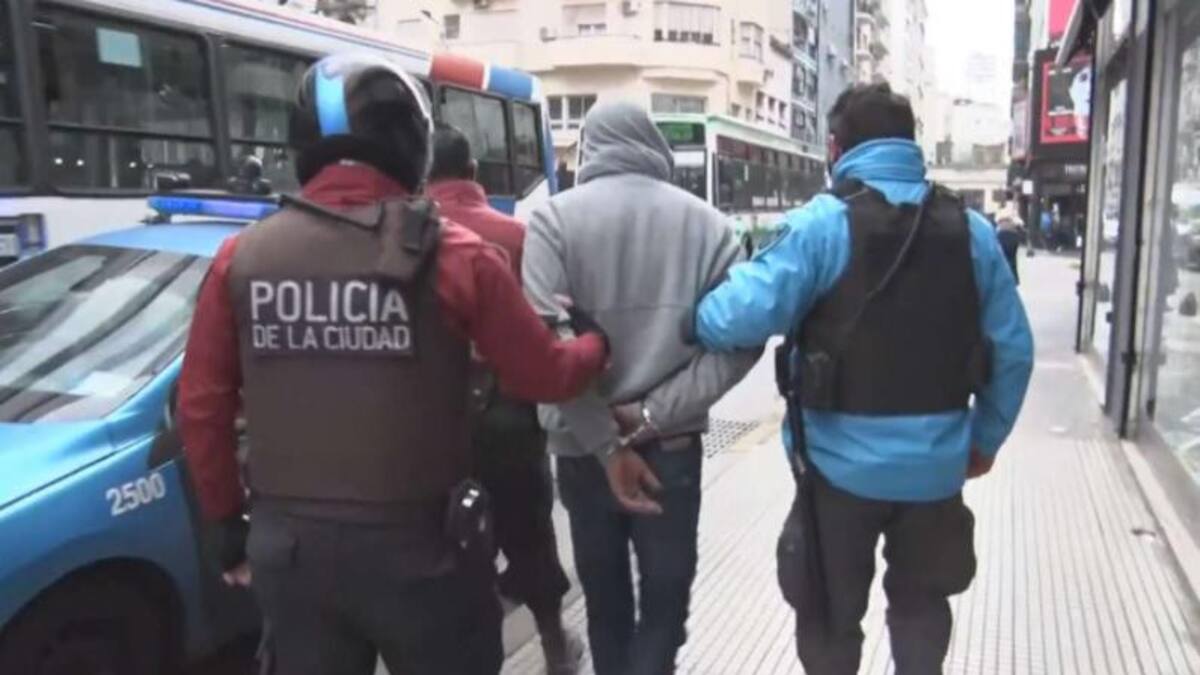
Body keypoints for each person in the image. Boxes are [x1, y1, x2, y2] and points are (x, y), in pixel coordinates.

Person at [177, 55, 610, 675]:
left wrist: (225, 526)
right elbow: (542, 375)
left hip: (291, 556)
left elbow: (202, 407)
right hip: (425, 556)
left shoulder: (239, 259)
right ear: (412, 143)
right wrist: (595, 347)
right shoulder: (461, 257)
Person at [694, 82, 1034, 675]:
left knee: (829, 617)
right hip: (935, 472)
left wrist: (692, 313)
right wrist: (986, 438)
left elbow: (733, 317)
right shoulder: (972, 231)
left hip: (836, 474)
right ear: (910, 144)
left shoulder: (822, 225)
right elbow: (1015, 350)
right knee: (922, 609)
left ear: (834, 146)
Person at [522, 100, 761, 675]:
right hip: (671, 451)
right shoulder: (709, 225)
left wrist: (605, 439)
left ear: (589, 146)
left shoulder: (552, 221)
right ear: (653, 145)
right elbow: (741, 341)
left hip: (581, 451)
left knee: (604, 604)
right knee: (665, 599)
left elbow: (545, 350)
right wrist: (651, 414)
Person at [426, 123, 583, 675]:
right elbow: (547, 331)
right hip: (512, 416)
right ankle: (555, 648)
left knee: (453, 549)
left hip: (433, 425)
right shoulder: (518, 235)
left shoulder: (401, 238)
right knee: (530, 535)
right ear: (473, 174)